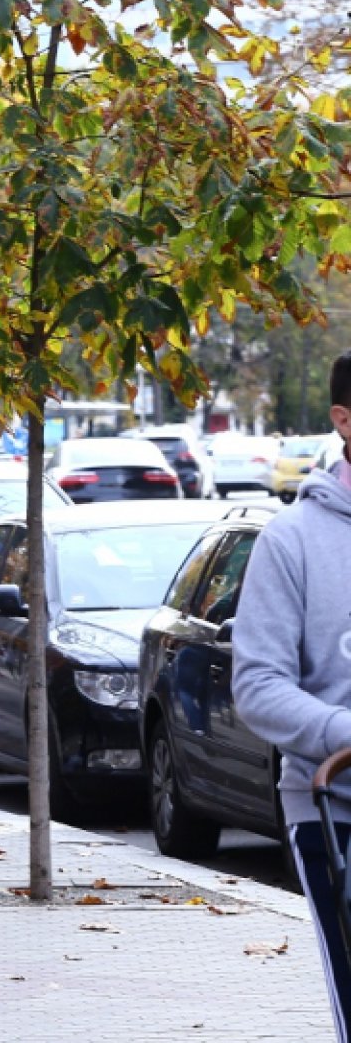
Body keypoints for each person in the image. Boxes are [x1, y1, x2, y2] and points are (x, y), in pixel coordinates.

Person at [234, 350, 351, 1034]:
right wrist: (344, 731)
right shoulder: (292, 543)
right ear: (344, 419)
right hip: (335, 816)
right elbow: (258, 687)